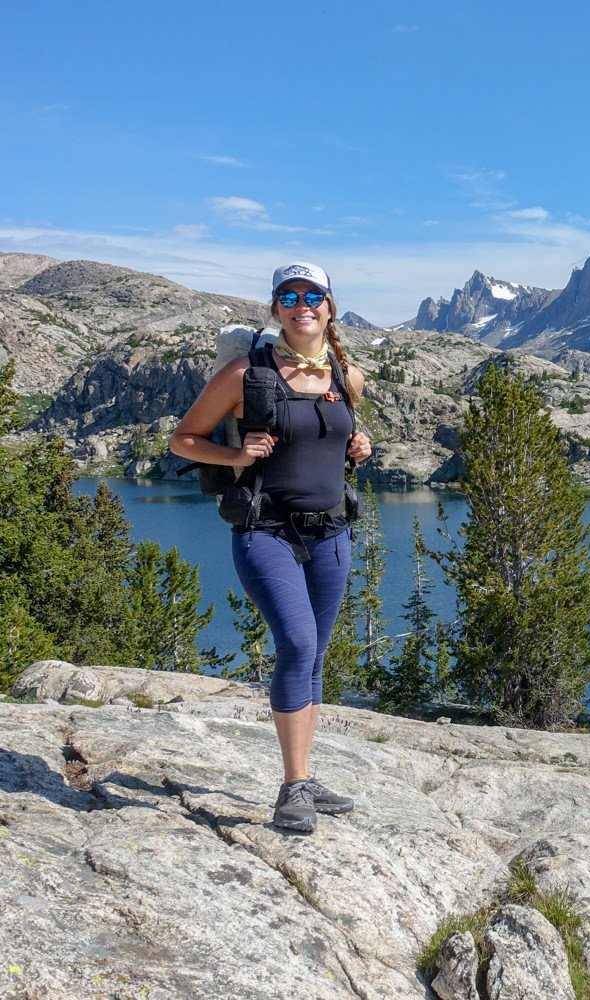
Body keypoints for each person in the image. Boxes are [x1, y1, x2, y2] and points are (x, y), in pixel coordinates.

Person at [169, 262, 373, 833]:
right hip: (266, 532)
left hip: (332, 532)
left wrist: (359, 445)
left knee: (314, 654)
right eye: (289, 295)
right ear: (276, 308)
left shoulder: (346, 376)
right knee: (297, 641)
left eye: (313, 295)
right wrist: (236, 457)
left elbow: (336, 436)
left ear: (330, 307)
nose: (301, 303)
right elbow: (183, 438)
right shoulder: (246, 373)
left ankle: (304, 775)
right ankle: (290, 791)